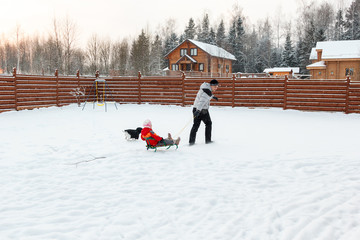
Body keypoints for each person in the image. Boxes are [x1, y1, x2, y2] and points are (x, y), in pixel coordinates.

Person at [189, 79, 219, 145]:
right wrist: (198, 111)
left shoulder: (205, 89)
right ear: (211, 85)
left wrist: (213, 97)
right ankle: (208, 141)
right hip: (201, 110)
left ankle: (191, 142)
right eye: (215, 87)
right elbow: (201, 102)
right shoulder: (207, 92)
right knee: (208, 123)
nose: (216, 88)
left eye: (217, 87)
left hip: (196, 109)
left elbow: (206, 96)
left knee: (195, 126)